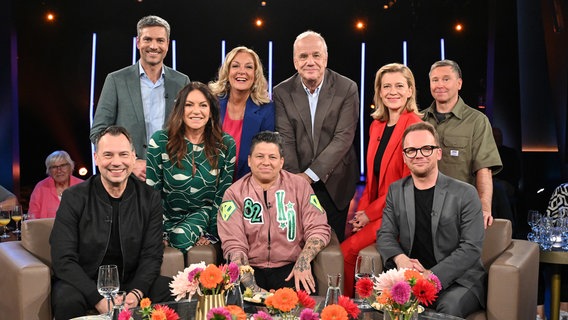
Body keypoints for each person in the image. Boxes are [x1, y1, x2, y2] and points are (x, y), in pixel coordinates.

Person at [50, 126, 171, 319]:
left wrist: (136, 293)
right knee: (66, 299)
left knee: (172, 290)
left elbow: (152, 255)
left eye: (123, 154)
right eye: (108, 155)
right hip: (84, 284)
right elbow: (63, 259)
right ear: (97, 158)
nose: (116, 162)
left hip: (131, 283)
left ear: (133, 157)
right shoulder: (74, 197)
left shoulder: (150, 198)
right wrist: (97, 298)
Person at [377, 122, 486, 318]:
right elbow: (385, 234)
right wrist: (400, 259)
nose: (418, 155)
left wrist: (431, 275)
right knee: (382, 301)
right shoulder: (396, 191)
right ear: (404, 157)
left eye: (426, 149)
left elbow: (471, 247)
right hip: (411, 277)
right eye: (411, 150)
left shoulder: (465, 193)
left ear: (438, 153)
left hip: (459, 280)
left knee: (448, 307)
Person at [340, 63, 422, 297]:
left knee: (347, 252)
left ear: (409, 90)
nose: (392, 91)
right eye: (386, 86)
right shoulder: (377, 126)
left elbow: (405, 187)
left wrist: (370, 214)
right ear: (379, 91)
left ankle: (350, 308)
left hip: (400, 212)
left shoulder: (415, 125)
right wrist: (361, 213)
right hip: (378, 209)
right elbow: (372, 179)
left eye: (399, 86)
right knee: (347, 239)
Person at [218, 131, 331, 294]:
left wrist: (303, 262)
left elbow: (318, 228)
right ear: (249, 160)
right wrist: (253, 289)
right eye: (259, 156)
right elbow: (234, 244)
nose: (266, 162)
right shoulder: (234, 193)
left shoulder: (300, 186)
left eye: (272, 157)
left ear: (281, 162)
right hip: (250, 270)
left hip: (291, 268)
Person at [274, 30, 359, 242]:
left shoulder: (347, 88)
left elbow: (343, 138)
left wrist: (309, 176)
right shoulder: (281, 92)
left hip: (336, 182)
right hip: (297, 182)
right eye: (303, 56)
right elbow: (286, 139)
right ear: (295, 62)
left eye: (316, 55)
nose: (310, 61)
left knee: (331, 246)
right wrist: (297, 181)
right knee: (298, 244)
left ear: (325, 59)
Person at [90, 15, 190, 181]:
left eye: (160, 40)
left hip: (172, 177)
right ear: (138, 42)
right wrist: (130, 161)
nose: (153, 46)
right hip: (128, 178)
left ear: (167, 44)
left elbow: (189, 130)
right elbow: (98, 131)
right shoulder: (116, 80)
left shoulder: (182, 81)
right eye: (147, 39)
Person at [146, 81, 236, 254]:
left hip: (203, 214)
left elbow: (223, 194)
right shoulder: (160, 141)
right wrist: (158, 232)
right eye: (189, 105)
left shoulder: (225, 144)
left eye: (203, 105)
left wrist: (211, 233)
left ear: (211, 112)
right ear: (180, 110)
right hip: (167, 213)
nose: (196, 111)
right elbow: (153, 192)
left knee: (180, 237)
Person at [423, 59, 502, 228]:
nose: (440, 85)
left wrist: (484, 208)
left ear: (459, 83)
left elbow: (484, 168)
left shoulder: (477, 121)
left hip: (459, 212)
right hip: (421, 210)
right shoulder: (418, 120)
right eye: (435, 80)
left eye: (446, 79)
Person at [209, 46, 275, 181]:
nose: (242, 72)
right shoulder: (211, 104)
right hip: (209, 185)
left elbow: (265, 156)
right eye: (235, 66)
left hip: (248, 186)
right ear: (227, 72)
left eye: (249, 67)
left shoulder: (266, 110)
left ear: (256, 75)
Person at [536, 183, 568, 320]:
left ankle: (563, 312)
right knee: (532, 261)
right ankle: (539, 314)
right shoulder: (562, 190)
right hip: (561, 244)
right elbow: (550, 225)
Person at [28, 150, 83, 219]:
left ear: (70, 167)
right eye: (54, 167)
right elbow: (32, 217)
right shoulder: (41, 187)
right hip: (47, 229)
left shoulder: (83, 186)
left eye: (63, 165)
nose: (59, 170)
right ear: (49, 171)